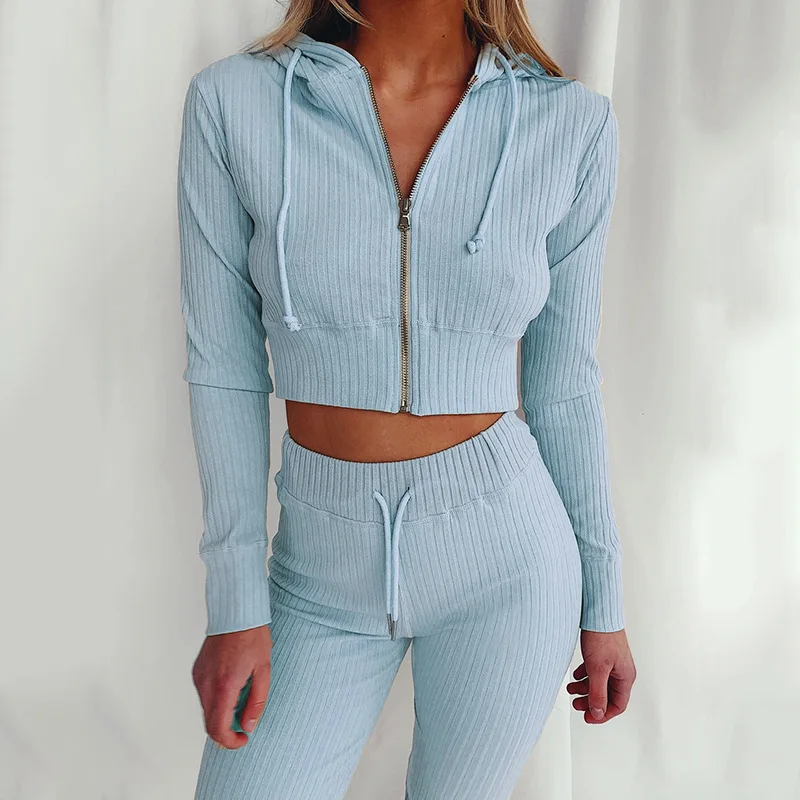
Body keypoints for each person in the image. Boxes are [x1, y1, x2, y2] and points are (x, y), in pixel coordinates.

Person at [177, 0, 637, 797]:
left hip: (508, 565)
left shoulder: (570, 124)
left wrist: (606, 601)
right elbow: (223, 367)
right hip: (316, 571)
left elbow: (564, 382)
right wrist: (234, 602)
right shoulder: (235, 103)